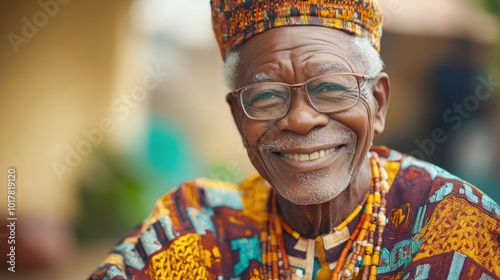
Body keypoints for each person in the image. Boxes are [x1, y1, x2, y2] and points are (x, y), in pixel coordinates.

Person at [89, 1, 500, 279]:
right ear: (238, 117)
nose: (301, 119)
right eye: (266, 96)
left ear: (377, 103)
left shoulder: (456, 224)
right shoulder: (196, 229)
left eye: (331, 87)